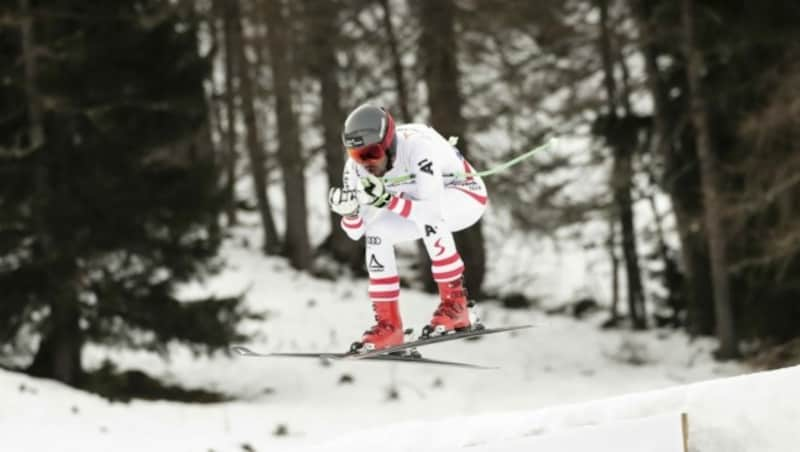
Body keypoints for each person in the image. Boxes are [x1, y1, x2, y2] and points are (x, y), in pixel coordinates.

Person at [327, 104, 489, 351]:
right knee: (378, 233)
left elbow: (431, 212)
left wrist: (388, 201)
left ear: (389, 143)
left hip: (464, 197)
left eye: (372, 152)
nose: (366, 162)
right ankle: (389, 326)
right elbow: (357, 231)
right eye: (357, 154)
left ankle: (456, 305)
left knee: (430, 220)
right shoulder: (355, 169)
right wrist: (350, 213)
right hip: (416, 206)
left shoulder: (419, 148)